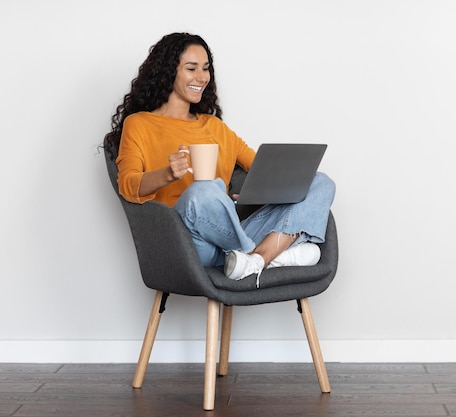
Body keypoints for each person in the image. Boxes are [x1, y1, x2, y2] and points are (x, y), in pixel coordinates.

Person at [102, 32, 335, 287]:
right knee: (204, 190)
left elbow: (265, 171)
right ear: (169, 72)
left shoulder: (214, 126)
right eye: (191, 68)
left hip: (229, 234)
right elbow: (128, 186)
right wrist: (168, 173)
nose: (201, 77)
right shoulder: (139, 124)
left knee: (319, 182)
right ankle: (270, 255)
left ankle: (255, 260)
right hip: (188, 244)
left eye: (205, 68)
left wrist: (255, 194)